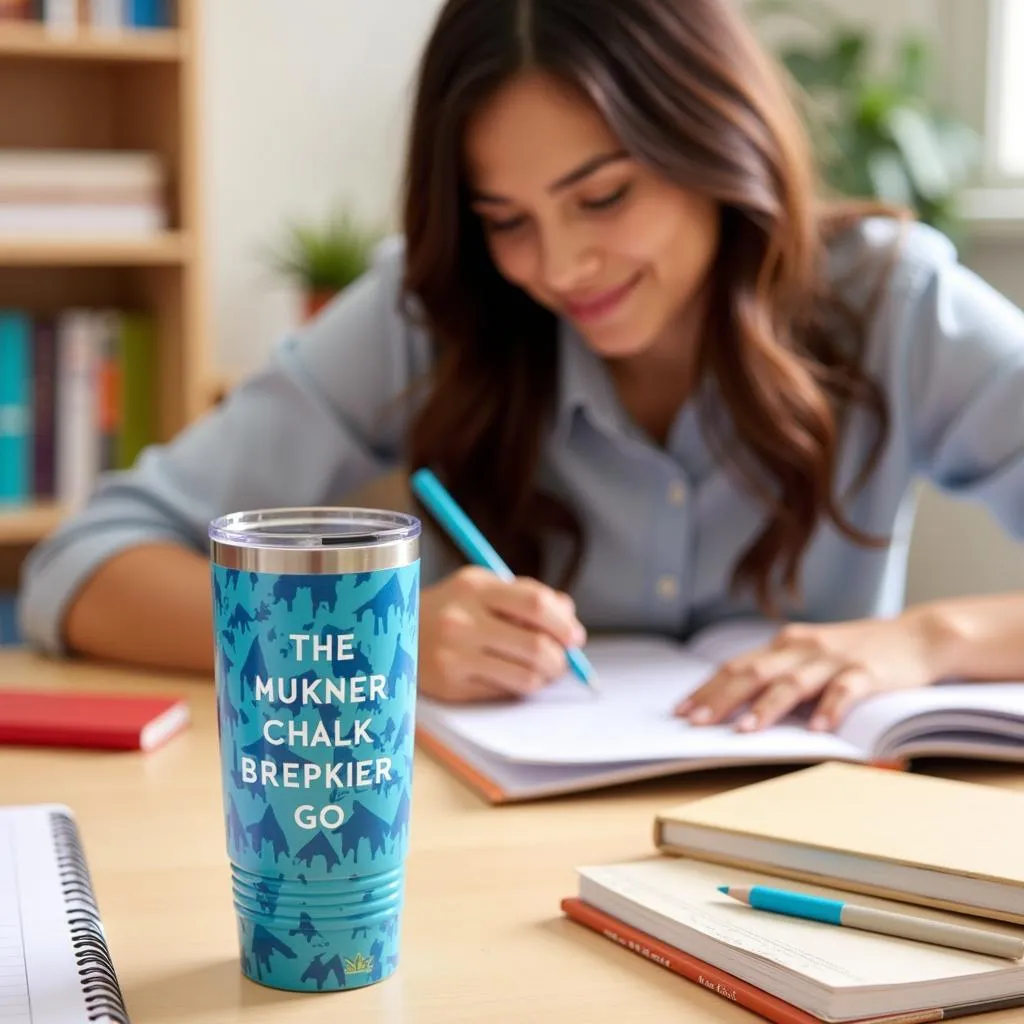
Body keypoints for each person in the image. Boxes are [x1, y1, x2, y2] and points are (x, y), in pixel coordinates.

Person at [18, 0, 1024, 735]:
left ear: (718, 142)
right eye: (506, 221)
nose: (559, 267)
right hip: (500, 867)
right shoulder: (436, 310)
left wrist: (928, 639)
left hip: (810, 851)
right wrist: (379, 638)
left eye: (603, 196)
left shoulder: (891, 303)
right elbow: (84, 565)